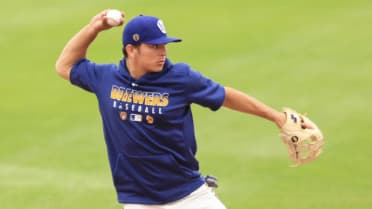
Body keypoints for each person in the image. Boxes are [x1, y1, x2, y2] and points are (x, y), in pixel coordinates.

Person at [56, 9, 288, 209]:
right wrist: (93, 28)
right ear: (131, 49)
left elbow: (225, 95)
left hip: (189, 195)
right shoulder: (107, 79)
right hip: (138, 200)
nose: (163, 52)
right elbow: (64, 65)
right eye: (154, 46)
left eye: (164, 45)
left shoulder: (181, 78)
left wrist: (276, 116)